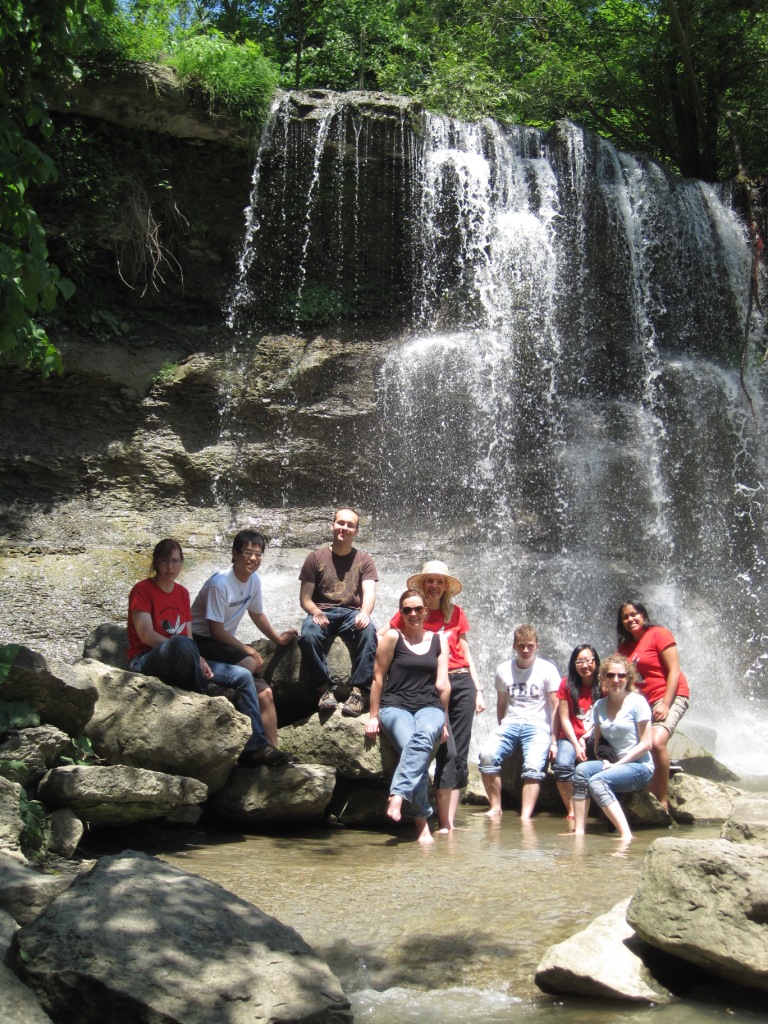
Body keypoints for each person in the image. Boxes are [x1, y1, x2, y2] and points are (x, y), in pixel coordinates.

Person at [128, 538, 287, 766]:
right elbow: (146, 635)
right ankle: (206, 689)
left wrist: (200, 658)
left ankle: (257, 747)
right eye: (163, 561)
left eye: (175, 561)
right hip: (146, 659)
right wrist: (190, 651)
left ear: (182, 563)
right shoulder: (142, 590)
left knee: (243, 676)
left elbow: (188, 635)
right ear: (155, 563)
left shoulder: (182, 593)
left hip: (185, 657)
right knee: (181, 645)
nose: (169, 567)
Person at [387, 561, 484, 832]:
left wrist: (478, 688)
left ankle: (446, 824)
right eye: (430, 580)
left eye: (440, 581)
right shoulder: (413, 610)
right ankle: (426, 814)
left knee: (457, 753)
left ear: (446, 587)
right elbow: (386, 635)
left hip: (461, 680)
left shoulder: (457, 614)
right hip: (433, 684)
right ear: (422, 584)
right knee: (442, 745)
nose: (434, 586)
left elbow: (466, 652)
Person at [191, 530, 297, 749]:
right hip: (199, 641)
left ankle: (274, 751)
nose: (254, 559)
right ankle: (214, 686)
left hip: (220, 643)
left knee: (266, 693)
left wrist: (277, 639)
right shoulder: (219, 584)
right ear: (235, 554)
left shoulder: (253, 580)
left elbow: (256, 614)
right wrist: (249, 650)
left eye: (258, 554)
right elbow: (215, 631)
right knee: (249, 663)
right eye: (248, 552)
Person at [365, 589, 450, 844]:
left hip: (430, 707)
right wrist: (373, 715)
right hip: (395, 706)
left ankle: (399, 794)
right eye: (407, 610)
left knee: (423, 737)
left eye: (417, 609)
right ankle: (422, 822)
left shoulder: (439, 640)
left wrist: (443, 721)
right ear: (400, 612)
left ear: (426, 611)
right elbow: (378, 678)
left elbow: (443, 683)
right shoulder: (392, 637)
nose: (413, 614)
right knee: (413, 746)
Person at [298, 507, 378, 717]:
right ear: (332, 525)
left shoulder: (364, 559)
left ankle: (359, 691)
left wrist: (365, 613)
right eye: (341, 523)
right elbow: (305, 597)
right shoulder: (315, 558)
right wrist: (315, 611)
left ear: (357, 531)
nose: (345, 528)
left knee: (369, 632)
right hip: (323, 611)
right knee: (308, 634)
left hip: (351, 613)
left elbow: (369, 593)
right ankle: (324, 689)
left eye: (350, 525)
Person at [478, 624, 560, 821]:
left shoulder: (547, 669)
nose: (525, 650)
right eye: (521, 645)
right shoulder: (503, 669)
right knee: (487, 755)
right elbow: (501, 704)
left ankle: (525, 817)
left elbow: (556, 706)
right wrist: (502, 730)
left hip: (538, 726)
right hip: (510, 724)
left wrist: (554, 739)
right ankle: (495, 807)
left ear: (537, 646)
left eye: (529, 646)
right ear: (514, 646)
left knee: (533, 766)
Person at [617, 601, 691, 809]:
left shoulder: (659, 633)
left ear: (643, 615)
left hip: (671, 695)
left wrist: (666, 704)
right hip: (644, 704)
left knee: (656, 742)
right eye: (625, 617)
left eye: (635, 614)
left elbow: (674, 670)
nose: (631, 619)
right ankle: (645, 789)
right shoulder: (625, 647)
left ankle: (662, 799)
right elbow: (616, 675)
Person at [571, 654, 653, 841]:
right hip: (614, 763)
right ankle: (579, 832)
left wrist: (618, 765)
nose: (616, 680)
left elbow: (647, 743)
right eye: (610, 675)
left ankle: (626, 835)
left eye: (621, 675)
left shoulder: (637, 702)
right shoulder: (600, 705)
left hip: (639, 767)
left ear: (628, 678)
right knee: (581, 771)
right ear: (603, 679)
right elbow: (598, 740)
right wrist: (603, 758)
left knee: (597, 782)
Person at [551, 644, 601, 824]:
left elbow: (605, 716)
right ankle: (572, 810)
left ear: (595, 661)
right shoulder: (567, 683)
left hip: (595, 735)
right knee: (562, 765)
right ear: (573, 664)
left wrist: (586, 735)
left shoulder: (604, 683)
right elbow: (564, 718)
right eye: (580, 661)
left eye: (588, 660)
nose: (585, 665)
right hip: (570, 736)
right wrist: (573, 742)